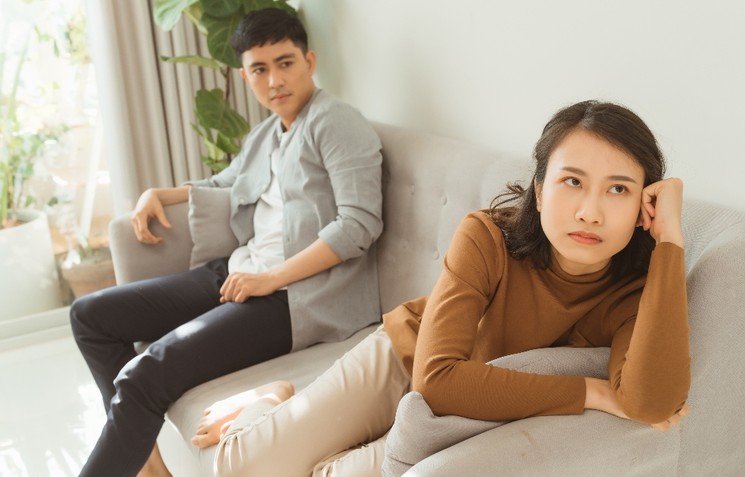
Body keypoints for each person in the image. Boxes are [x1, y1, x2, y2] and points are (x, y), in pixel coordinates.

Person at [193, 100, 691, 477]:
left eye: (619, 189)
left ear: (642, 207)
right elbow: (437, 377)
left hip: (462, 417)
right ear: (539, 191)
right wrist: (591, 391)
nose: (590, 211)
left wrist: (670, 242)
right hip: (404, 358)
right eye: (573, 182)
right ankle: (269, 399)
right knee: (237, 467)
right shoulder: (488, 236)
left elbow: (652, 403)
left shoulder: (636, 292)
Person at [69, 8, 383, 477]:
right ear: (246, 75)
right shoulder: (266, 134)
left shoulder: (335, 123)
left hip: (292, 296)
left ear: (309, 61)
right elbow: (224, 182)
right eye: (260, 68)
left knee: (144, 373)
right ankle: (149, 464)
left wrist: (269, 278)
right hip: (243, 271)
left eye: (285, 62)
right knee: (91, 315)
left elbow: (359, 224)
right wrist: (159, 193)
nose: (274, 79)